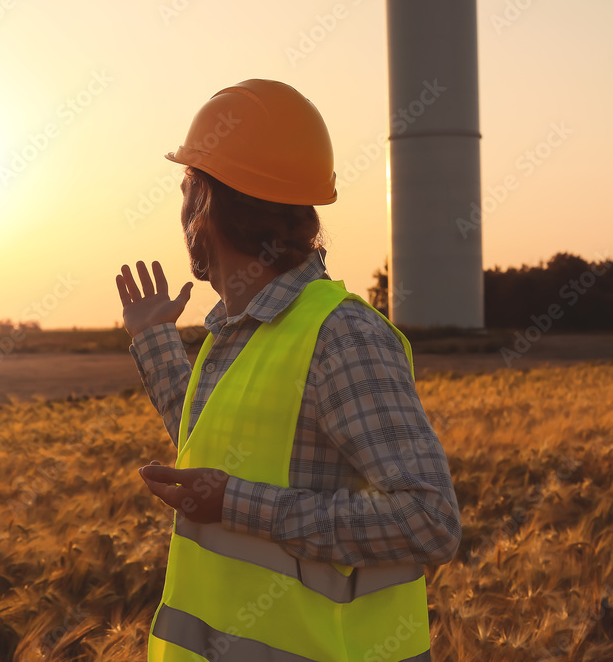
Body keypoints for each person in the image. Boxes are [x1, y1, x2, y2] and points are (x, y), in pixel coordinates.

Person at [115, 79, 461, 662]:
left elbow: (430, 520)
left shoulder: (340, 337)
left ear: (205, 204)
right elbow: (213, 449)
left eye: (186, 188)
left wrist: (233, 504)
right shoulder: (238, 328)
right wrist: (152, 338)